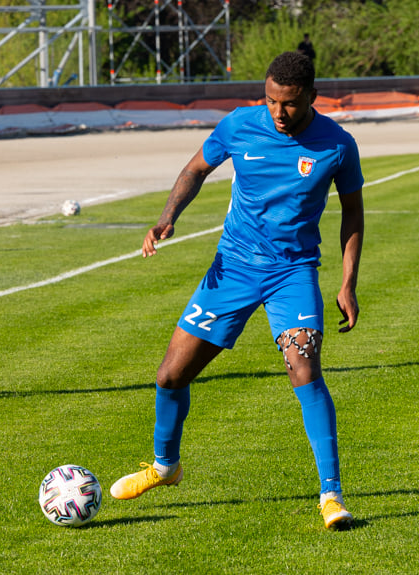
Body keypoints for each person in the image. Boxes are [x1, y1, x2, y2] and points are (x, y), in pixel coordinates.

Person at [109, 51, 364, 531]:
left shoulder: (337, 144)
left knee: (304, 370)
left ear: (311, 95)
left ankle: (331, 495)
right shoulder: (239, 125)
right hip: (234, 269)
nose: (278, 112)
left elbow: (353, 213)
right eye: (270, 100)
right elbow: (195, 170)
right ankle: (166, 467)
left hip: (294, 273)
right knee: (169, 376)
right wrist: (168, 217)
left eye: (287, 103)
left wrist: (347, 282)